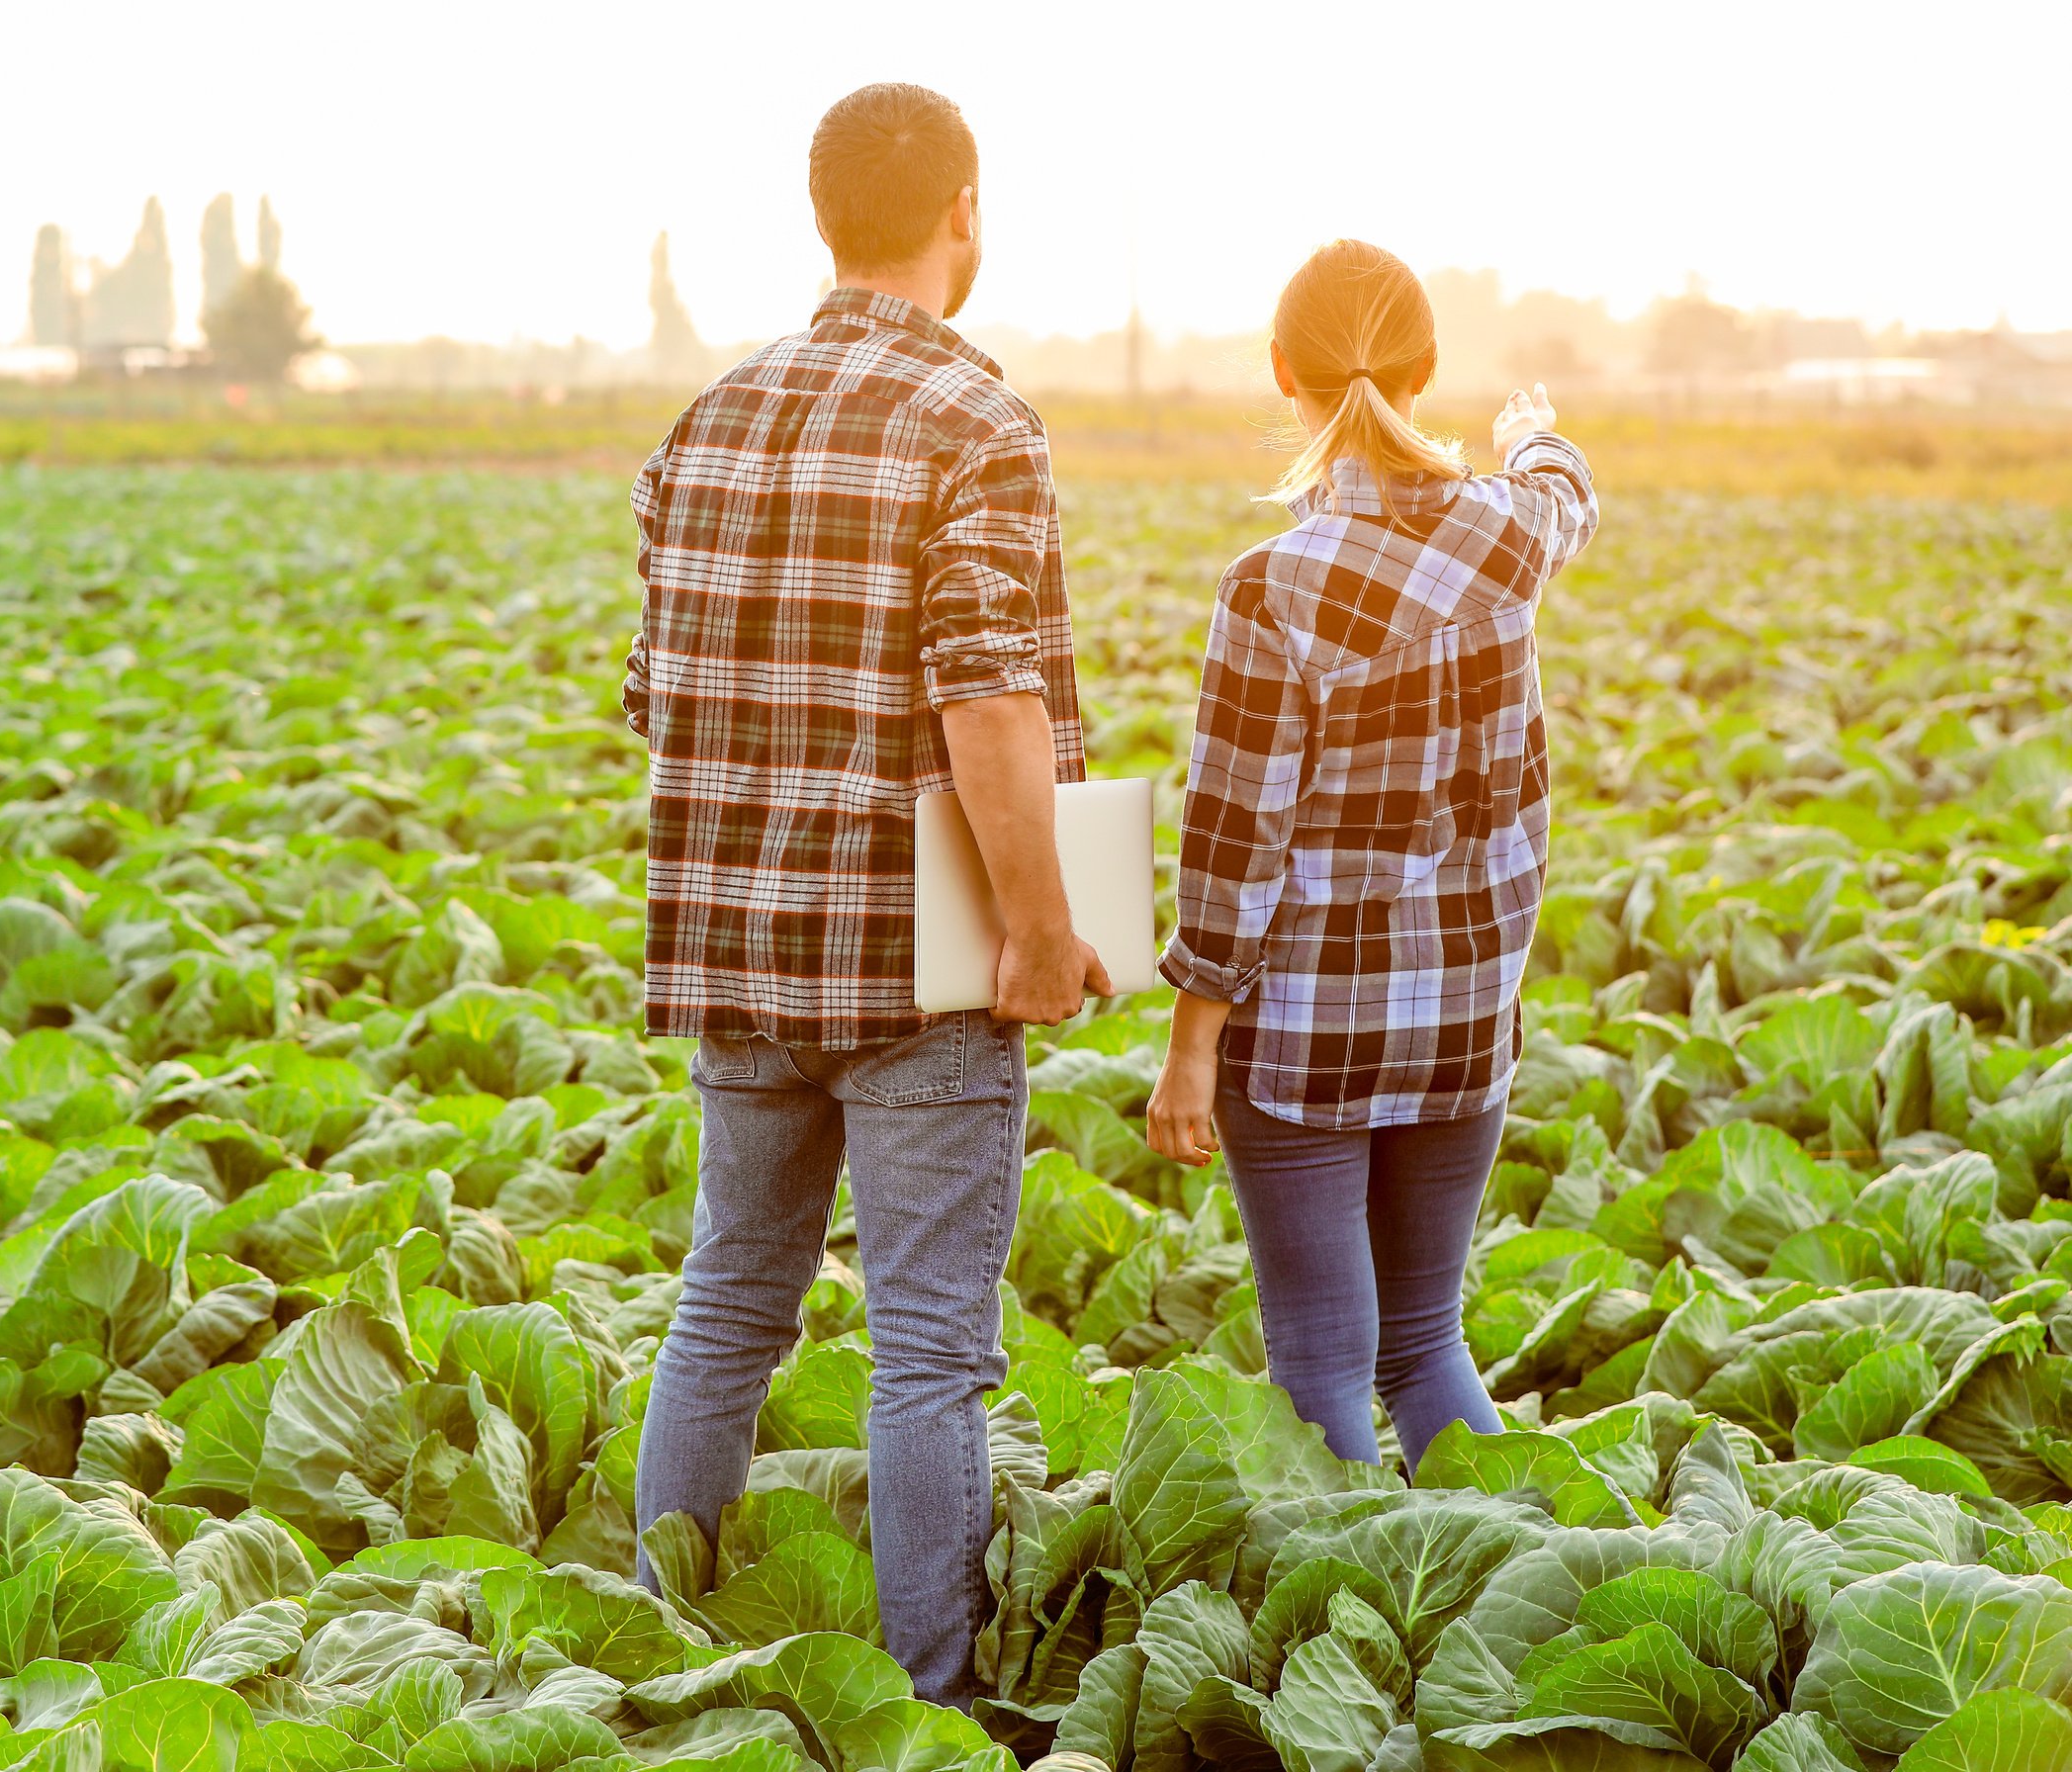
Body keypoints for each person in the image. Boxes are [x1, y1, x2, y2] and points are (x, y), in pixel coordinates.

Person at [622, 82, 1099, 1705]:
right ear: (960, 213)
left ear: (823, 219)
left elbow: (657, 697)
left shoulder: (706, 422)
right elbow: (987, 699)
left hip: (735, 953)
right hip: (915, 971)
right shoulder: (977, 424)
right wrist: (1038, 923)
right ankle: (932, 1702)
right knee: (929, 1358)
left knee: (723, 1305)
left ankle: (654, 1648)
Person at [1144, 239, 1600, 1472]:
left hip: (1304, 1037)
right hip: (1465, 1018)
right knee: (1425, 1347)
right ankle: (1502, 1590)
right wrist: (1528, 432)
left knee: (1325, 1369)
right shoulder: (1510, 537)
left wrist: (1193, 1044)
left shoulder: (1273, 587)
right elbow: (1569, 496)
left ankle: (1363, 1595)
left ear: (1281, 371)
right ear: (1428, 366)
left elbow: (1232, 838)